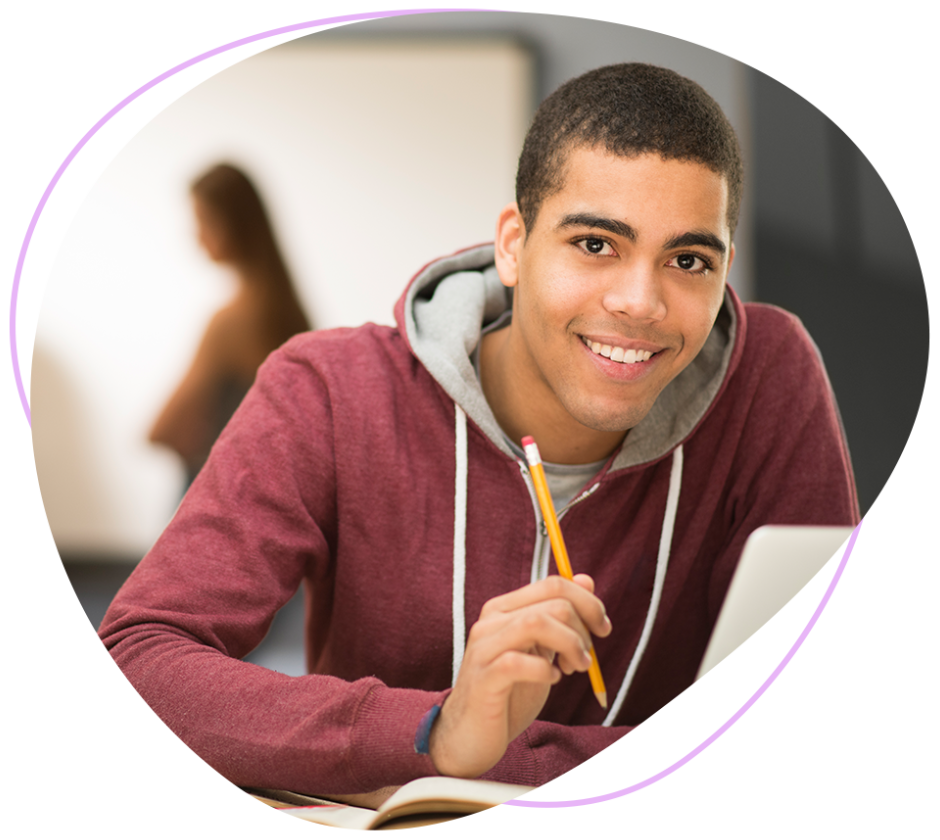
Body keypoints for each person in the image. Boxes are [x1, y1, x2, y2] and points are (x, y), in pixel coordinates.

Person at [100, 64, 859, 798]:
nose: (640, 302)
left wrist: (481, 763)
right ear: (512, 246)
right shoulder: (330, 389)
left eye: (688, 259)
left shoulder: (770, 377)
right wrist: (435, 729)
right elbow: (141, 663)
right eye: (595, 244)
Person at [149, 163, 311, 487]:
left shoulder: (233, 320)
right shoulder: (293, 316)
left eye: (204, 221)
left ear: (236, 224)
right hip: (266, 492)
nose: (197, 236)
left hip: (217, 491)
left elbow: (162, 429)